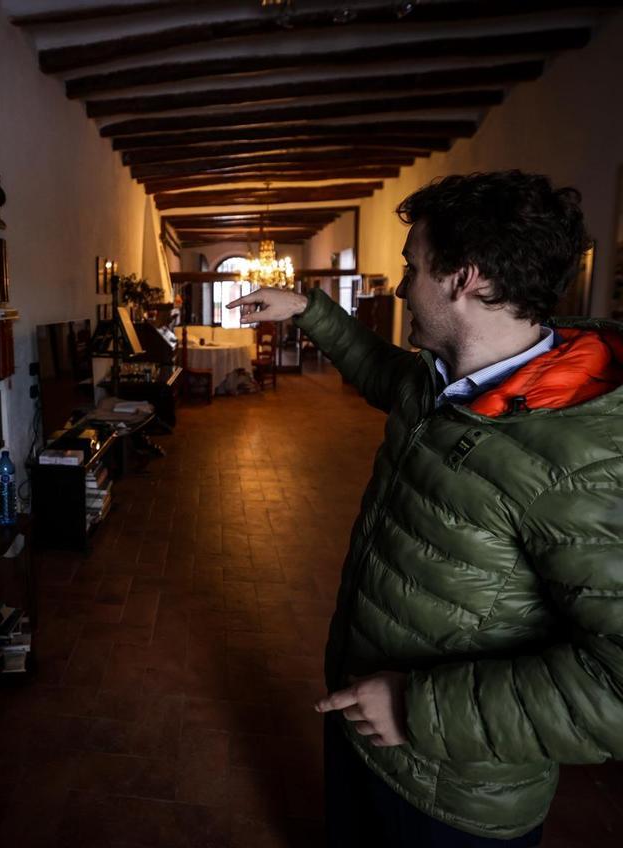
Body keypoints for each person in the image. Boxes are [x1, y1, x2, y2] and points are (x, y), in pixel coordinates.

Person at [229, 171, 623, 846]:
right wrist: (306, 309)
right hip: (370, 735)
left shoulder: (582, 460)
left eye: (412, 268)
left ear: (462, 279)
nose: (403, 286)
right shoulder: (444, 380)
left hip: (457, 796)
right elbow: (381, 372)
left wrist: (418, 708)